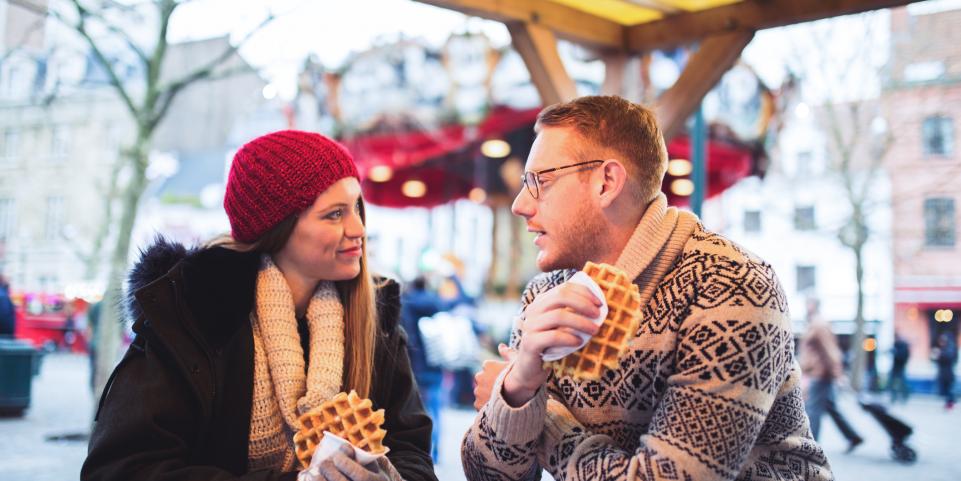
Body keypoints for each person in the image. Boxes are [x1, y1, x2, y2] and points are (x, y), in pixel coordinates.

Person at [462, 96, 832, 481]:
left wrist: (543, 419)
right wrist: (520, 384)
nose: (520, 204)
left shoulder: (731, 285)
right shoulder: (545, 295)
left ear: (607, 182)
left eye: (541, 181)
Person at [81, 130, 437, 481]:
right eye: (334, 214)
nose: (358, 228)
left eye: (357, 207)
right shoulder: (195, 317)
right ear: (278, 227)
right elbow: (121, 469)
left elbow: (413, 453)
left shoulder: (375, 324)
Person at [799, 301, 863, 453]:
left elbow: (830, 350)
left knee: (813, 409)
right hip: (818, 372)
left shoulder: (819, 325)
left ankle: (810, 446)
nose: (805, 307)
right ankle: (852, 436)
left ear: (814, 306)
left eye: (808, 304)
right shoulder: (814, 323)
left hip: (820, 374)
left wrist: (837, 373)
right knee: (830, 407)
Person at [399, 276, 445, 462]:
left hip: (416, 368)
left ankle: (424, 450)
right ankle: (436, 451)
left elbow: (406, 340)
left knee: (419, 411)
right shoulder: (437, 305)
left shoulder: (406, 306)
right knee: (436, 408)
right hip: (435, 366)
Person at [933, 332, 958, 410]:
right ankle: (950, 402)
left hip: (948, 372)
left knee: (949, 389)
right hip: (943, 372)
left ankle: (950, 402)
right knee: (946, 389)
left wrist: (939, 354)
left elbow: (949, 357)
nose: (941, 343)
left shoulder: (950, 348)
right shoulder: (944, 349)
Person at [888, 334, 910, 403]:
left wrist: (895, 353)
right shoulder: (896, 345)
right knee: (894, 383)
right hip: (895, 367)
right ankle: (894, 397)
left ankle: (904, 396)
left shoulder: (903, 346)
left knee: (902, 383)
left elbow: (903, 356)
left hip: (901, 367)